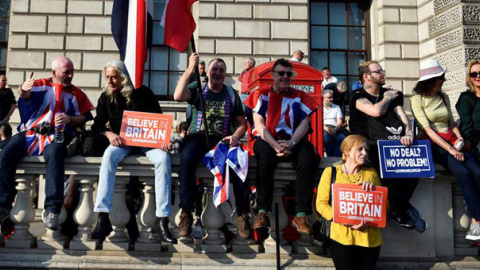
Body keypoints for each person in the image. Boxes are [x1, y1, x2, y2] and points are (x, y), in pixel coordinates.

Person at [87, 60, 177, 244]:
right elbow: (96, 125)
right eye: (108, 77)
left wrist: (163, 141)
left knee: (163, 159)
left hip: (147, 143)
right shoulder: (106, 97)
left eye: (114, 77)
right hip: (123, 142)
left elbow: (159, 120)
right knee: (109, 155)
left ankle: (162, 220)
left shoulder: (143, 92)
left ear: (123, 77)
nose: (110, 81)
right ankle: (103, 217)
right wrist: (108, 133)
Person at [0, 56, 94, 230]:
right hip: (31, 134)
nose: (71, 75)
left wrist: (70, 119)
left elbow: (86, 116)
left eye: (72, 71)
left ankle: (52, 209)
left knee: (55, 155)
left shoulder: (76, 93)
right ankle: (3, 204)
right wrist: (22, 89)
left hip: (57, 134)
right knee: (6, 153)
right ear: (54, 72)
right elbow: (25, 95)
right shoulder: (41, 84)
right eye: (67, 72)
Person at [173, 53, 252, 239]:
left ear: (225, 75)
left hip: (222, 140)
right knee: (187, 158)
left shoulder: (231, 94)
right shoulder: (197, 88)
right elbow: (177, 95)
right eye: (214, 69)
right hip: (198, 136)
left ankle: (243, 214)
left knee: (240, 162)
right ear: (207, 72)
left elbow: (242, 124)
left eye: (221, 71)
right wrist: (189, 70)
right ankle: (186, 211)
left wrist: (235, 136)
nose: (217, 73)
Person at [349, 60, 426, 233]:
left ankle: (399, 209)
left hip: (395, 143)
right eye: (378, 71)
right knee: (382, 169)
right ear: (366, 77)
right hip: (370, 146)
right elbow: (376, 111)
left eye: (383, 70)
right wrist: (386, 97)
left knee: (418, 161)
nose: (383, 74)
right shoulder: (357, 95)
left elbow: (403, 117)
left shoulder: (392, 95)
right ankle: (404, 208)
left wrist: (408, 134)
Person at [244, 58, 319, 235]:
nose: (285, 77)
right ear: (272, 75)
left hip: (292, 139)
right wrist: (275, 145)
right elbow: (259, 124)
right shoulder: (259, 95)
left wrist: (292, 143)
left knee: (308, 156)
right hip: (268, 139)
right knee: (265, 158)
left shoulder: (300, 96)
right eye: (281, 73)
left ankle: (301, 215)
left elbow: (305, 124)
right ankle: (262, 212)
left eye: (289, 74)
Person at [411, 58, 480, 241]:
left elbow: (451, 122)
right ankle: (477, 221)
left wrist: (458, 138)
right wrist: (450, 150)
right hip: (435, 145)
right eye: (441, 77)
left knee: (478, 171)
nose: (444, 80)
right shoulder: (417, 100)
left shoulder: (443, 96)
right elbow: (427, 129)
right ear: (432, 79)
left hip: (451, 139)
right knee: (463, 173)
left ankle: (476, 218)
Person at [316, 135, 382, 270]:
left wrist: (374, 192)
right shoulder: (331, 172)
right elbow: (321, 204)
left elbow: (383, 205)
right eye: (360, 149)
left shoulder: (371, 173)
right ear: (347, 151)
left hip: (369, 239)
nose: (365, 153)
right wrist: (342, 219)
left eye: (366, 150)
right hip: (341, 237)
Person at [456, 60, 480, 157]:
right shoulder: (466, 98)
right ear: (469, 78)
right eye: (474, 74)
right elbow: (467, 125)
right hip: (475, 142)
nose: (478, 76)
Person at [323, 89, 346, 157]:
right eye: (329, 97)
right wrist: (328, 129)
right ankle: (330, 158)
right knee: (326, 139)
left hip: (335, 128)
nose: (332, 99)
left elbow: (339, 121)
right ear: (323, 98)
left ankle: (336, 158)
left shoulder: (336, 107)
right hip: (325, 128)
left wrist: (335, 130)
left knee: (342, 138)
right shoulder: (320, 107)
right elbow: (319, 121)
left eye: (332, 97)